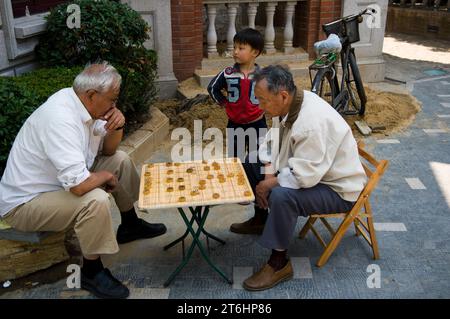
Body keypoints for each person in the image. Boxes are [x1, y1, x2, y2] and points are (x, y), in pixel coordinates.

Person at [0, 62, 167, 299]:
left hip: (58, 185)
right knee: (94, 199)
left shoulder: (84, 106)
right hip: (25, 204)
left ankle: (130, 224)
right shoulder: (60, 119)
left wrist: (117, 125)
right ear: (91, 95)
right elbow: (79, 187)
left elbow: (109, 152)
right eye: (112, 100)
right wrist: (105, 177)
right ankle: (92, 271)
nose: (114, 105)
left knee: (120, 160)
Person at [238, 65, 367, 291]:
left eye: (263, 100)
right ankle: (261, 218)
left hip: (337, 188)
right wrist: (267, 173)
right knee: (250, 164)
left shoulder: (311, 123)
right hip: (312, 172)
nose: (260, 106)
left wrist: (268, 184)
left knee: (282, 195)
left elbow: (304, 176)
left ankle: (279, 263)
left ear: (283, 95)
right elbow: (271, 142)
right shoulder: (291, 102)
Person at [207, 28, 267, 167]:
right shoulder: (228, 73)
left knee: (256, 160)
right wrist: (224, 103)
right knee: (235, 161)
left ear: (255, 52)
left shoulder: (263, 75)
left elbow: (272, 94)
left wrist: (264, 108)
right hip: (235, 124)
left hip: (257, 124)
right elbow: (212, 88)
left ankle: (254, 185)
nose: (235, 51)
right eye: (234, 47)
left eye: (241, 48)